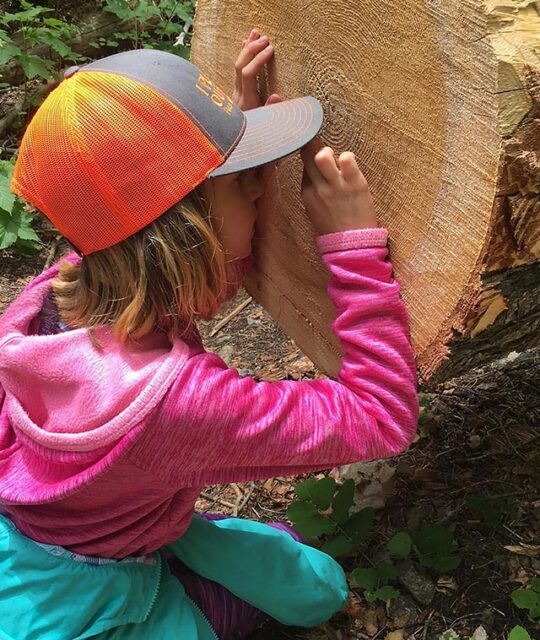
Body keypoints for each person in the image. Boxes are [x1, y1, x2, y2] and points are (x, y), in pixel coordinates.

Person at [0, 28, 418, 640]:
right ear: (192, 234)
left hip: (61, 523)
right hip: (75, 595)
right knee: (226, 612)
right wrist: (352, 248)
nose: (260, 191)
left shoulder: (72, 282)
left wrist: (240, 135)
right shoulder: (174, 405)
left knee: (309, 581)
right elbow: (381, 415)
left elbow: (202, 261)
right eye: (243, 183)